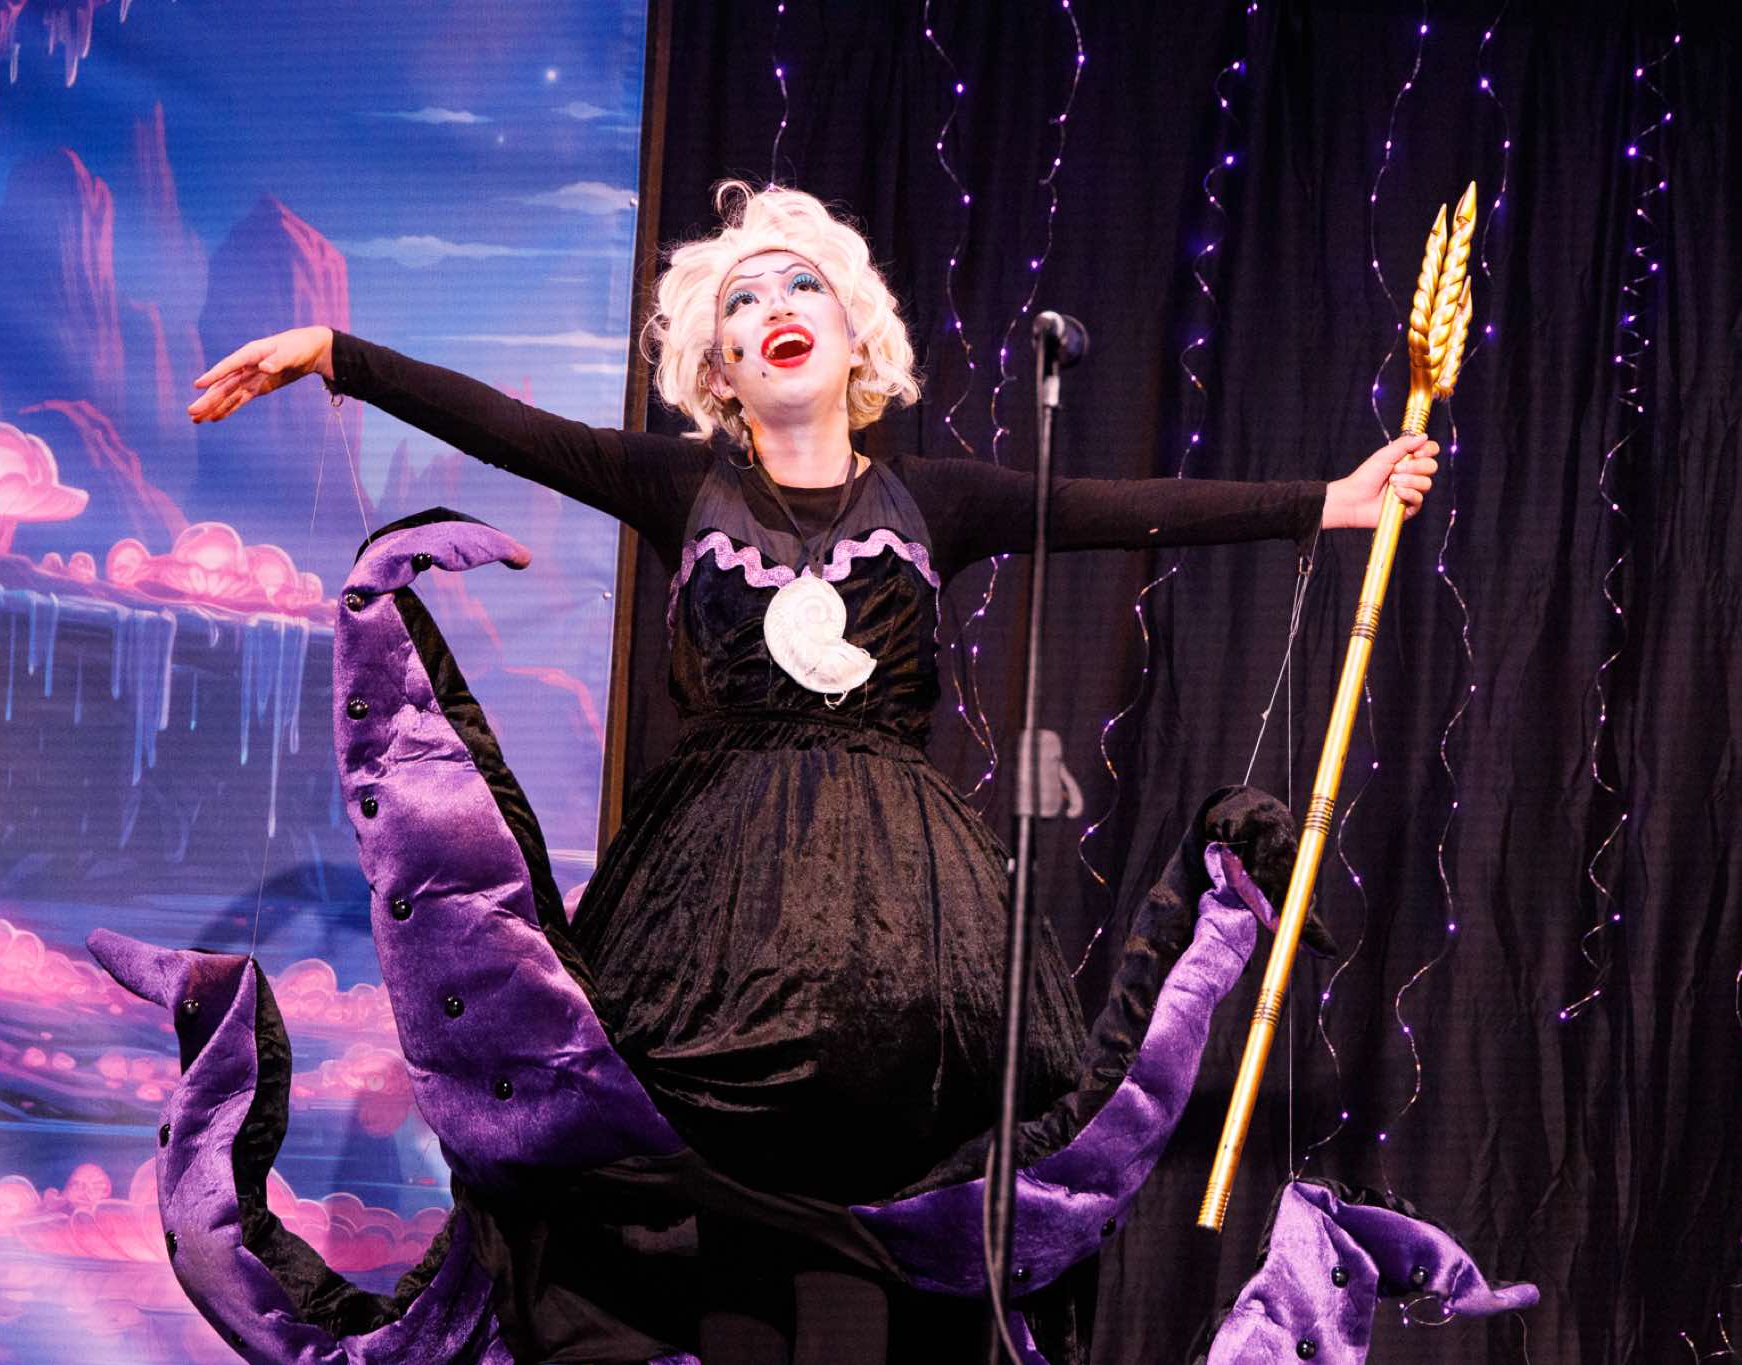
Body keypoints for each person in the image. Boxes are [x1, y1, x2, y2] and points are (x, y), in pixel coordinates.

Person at [188, 181, 1437, 1364]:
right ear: (719, 370)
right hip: (708, 929)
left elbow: (1122, 507)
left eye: (802, 289)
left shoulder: (935, 499)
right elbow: (515, 433)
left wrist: (1327, 500)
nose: (774, 308)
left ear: (855, 341)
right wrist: (339, 355)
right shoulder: (681, 486)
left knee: (877, 1229)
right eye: (742, 301)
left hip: (906, 932)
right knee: (721, 1221)